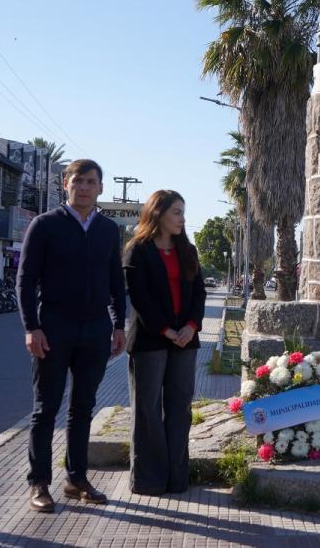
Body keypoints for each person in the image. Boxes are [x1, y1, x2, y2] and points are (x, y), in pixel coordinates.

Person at [18, 159, 126, 513]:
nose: (84, 187)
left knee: (83, 408)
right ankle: (39, 483)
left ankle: (76, 478)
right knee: (45, 408)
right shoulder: (45, 225)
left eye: (91, 182)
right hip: (53, 328)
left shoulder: (108, 230)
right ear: (65, 183)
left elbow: (116, 281)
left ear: (100, 188)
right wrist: (31, 327)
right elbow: (25, 280)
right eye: (78, 181)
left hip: (95, 330)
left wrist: (118, 325)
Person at [123, 190, 206, 495]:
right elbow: (139, 297)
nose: (182, 219)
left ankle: (176, 479)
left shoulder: (188, 250)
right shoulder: (137, 250)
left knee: (180, 409)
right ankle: (149, 480)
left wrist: (191, 326)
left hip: (185, 340)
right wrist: (167, 331)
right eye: (177, 212)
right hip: (150, 340)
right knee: (147, 410)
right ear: (158, 214)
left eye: (183, 212)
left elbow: (199, 293)